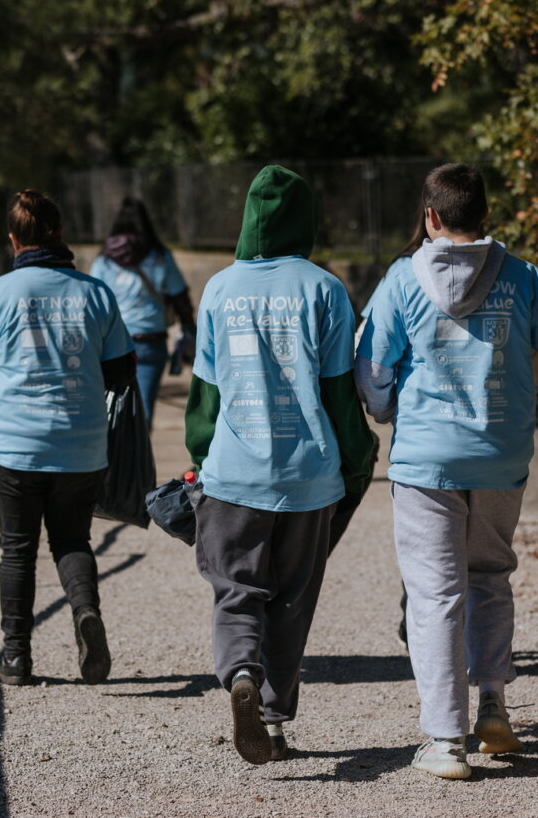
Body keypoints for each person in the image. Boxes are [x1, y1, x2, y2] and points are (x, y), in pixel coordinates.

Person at [355, 163, 538, 780]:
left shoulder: (401, 280)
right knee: (490, 576)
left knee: (434, 594)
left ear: (430, 216)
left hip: (425, 458)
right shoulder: (525, 279)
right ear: (487, 217)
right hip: (503, 458)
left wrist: (390, 409)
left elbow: (371, 369)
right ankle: (494, 705)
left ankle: (445, 741)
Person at [185, 165, 375, 764]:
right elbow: (340, 390)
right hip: (308, 476)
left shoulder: (218, 289)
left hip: (234, 473)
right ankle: (274, 718)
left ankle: (240, 673)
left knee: (235, 590)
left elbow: (205, 395)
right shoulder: (324, 289)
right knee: (291, 599)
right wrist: (358, 456)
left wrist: (200, 456)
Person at [0, 190, 136, 687]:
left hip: (16, 444)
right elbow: (121, 368)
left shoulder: (0, 292)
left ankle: (16, 659)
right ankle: (85, 612)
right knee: (72, 539)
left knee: (17, 549)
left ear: (13, 240)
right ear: (59, 234)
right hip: (81, 445)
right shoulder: (95, 292)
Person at [89, 198, 196, 426]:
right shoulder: (159, 256)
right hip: (151, 343)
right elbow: (180, 296)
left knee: (111, 412)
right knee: (143, 413)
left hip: (113, 344)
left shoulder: (105, 259)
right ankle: (140, 459)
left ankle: (117, 460)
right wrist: (189, 328)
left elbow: (93, 302)